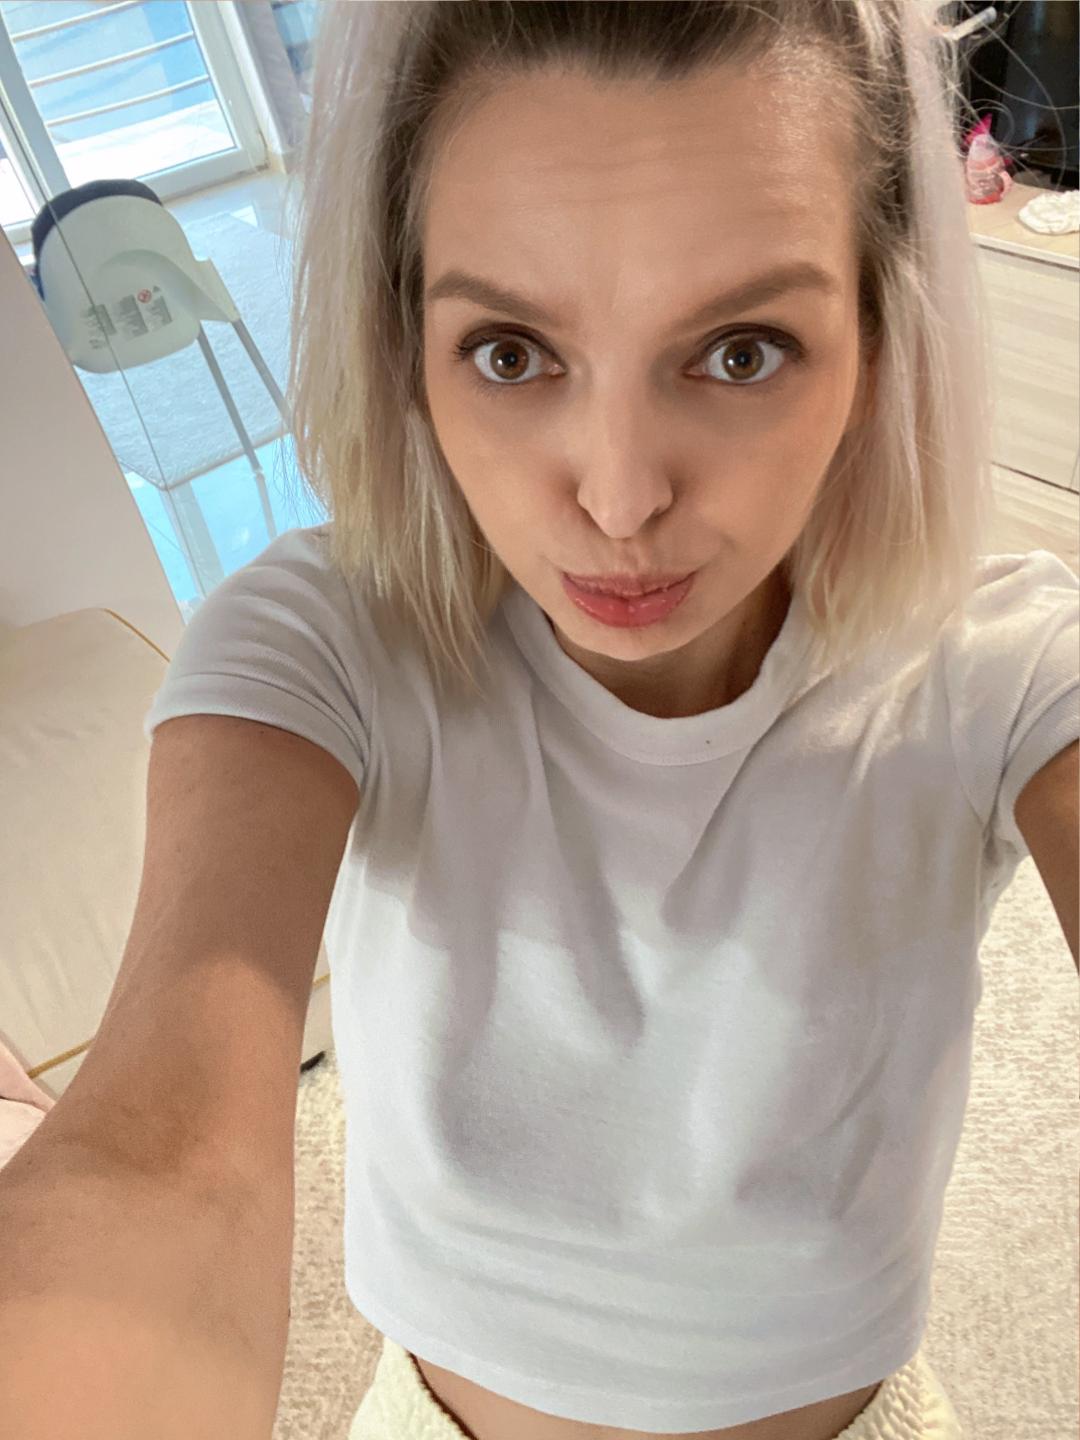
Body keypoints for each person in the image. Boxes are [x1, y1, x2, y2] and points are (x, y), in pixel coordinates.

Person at [2, 3, 1075, 1440]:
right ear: (408, 349)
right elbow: (160, 1162)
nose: (620, 498)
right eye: (511, 352)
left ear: (880, 340)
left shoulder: (1001, 665)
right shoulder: (320, 644)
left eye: (742, 351)